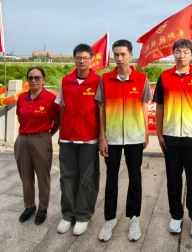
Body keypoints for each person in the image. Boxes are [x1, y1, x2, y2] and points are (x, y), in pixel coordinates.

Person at [153, 38, 192, 237]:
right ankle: (176, 215)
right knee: (173, 178)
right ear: (173, 54)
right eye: (178, 52)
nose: (181, 56)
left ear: (191, 55)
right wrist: (159, 133)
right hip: (170, 136)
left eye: (186, 52)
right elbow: (159, 107)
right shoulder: (165, 77)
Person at [95, 39, 151, 242]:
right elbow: (101, 108)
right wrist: (102, 137)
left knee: (135, 178)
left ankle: (134, 218)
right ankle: (109, 219)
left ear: (130, 55)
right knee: (111, 178)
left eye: (123, 54)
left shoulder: (142, 79)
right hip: (112, 138)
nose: (119, 58)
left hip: (135, 137)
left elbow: (144, 106)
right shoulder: (105, 79)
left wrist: (146, 133)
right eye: (116, 54)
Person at [55, 44, 101, 236]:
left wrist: (101, 137)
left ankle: (83, 216)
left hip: (88, 138)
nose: (81, 61)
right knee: (67, 176)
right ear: (74, 59)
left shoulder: (98, 81)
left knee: (87, 178)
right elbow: (62, 107)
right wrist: (60, 133)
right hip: (67, 137)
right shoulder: (66, 81)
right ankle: (68, 214)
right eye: (78, 58)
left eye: (85, 58)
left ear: (91, 60)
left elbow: (101, 111)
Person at [15, 67, 61, 225]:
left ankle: (42, 208)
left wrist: (47, 135)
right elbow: (20, 118)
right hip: (22, 139)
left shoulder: (50, 98)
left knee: (43, 177)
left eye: (37, 77)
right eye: (30, 78)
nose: (33, 80)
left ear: (43, 79)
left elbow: (57, 120)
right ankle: (29, 206)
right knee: (26, 176)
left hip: (41, 138)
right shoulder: (22, 98)